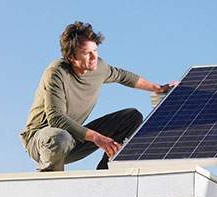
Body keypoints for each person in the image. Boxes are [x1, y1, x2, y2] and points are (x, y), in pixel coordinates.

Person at [20, 21, 178, 171]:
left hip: (73, 138)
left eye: (95, 51)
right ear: (71, 58)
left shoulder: (98, 67)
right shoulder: (56, 73)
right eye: (86, 53)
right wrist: (98, 138)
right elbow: (56, 118)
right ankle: (48, 185)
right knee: (59, 136)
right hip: (41, 141)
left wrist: (158, 88)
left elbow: (123, 76)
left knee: (132, 117)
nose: (94, 57)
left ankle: (105, 174)